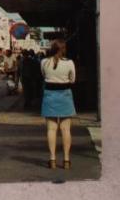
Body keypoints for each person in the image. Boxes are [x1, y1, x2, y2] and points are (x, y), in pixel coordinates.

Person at [41, 39, 76, 169]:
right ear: (63, 49)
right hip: (65, 95)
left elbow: (43, 76)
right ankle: (66, 160)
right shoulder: (69, 63)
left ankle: (52, 159)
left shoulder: (44, 62)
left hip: (50, 95)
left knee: (51, 129)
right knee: (66, 129)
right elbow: (73, 80)